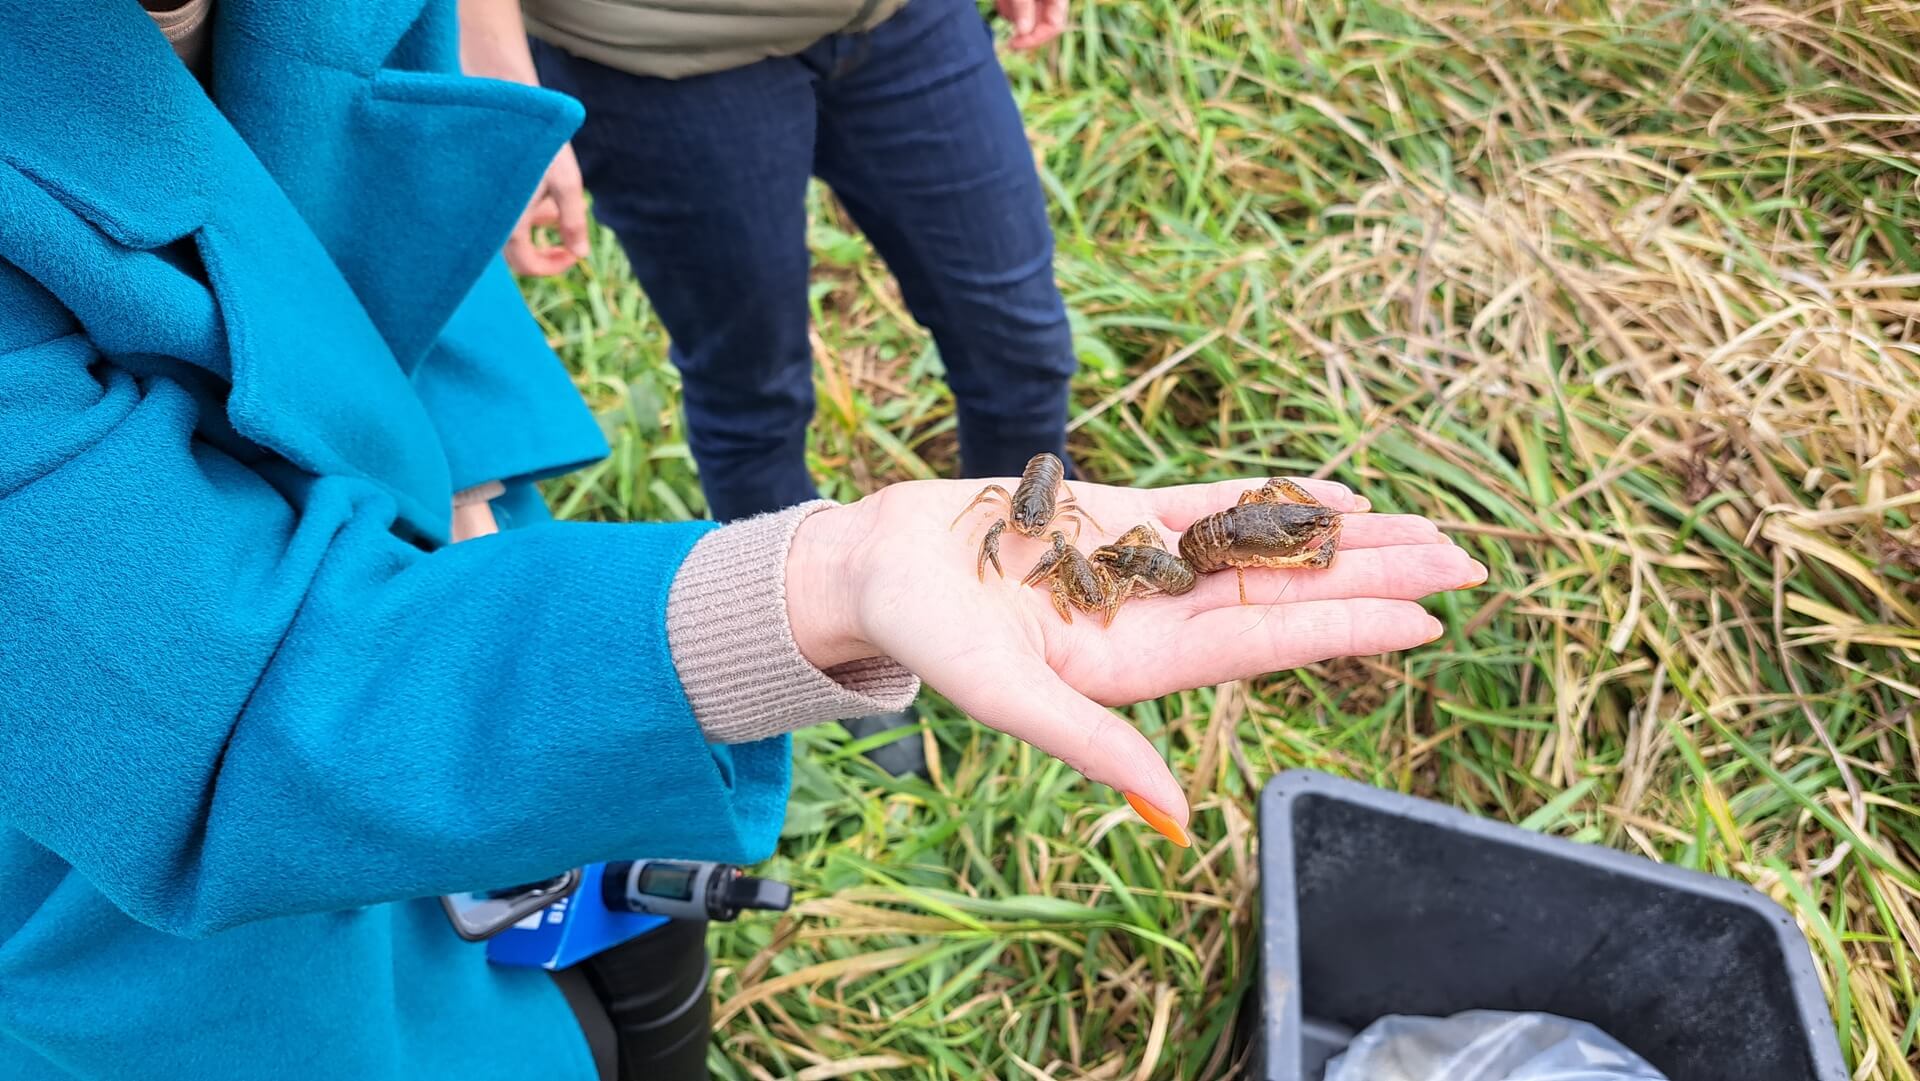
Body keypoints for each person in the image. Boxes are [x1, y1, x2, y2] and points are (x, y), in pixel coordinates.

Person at [0, 1, 1484, 1079]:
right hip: (150, 877)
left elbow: (379, 213)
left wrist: (457, 466)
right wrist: (815, 581)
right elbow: (231, 714)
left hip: (473, 625)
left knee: (608, 911)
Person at [458, 0, 1086, 775]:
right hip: (655, 54)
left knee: (1018, 340)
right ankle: (832, 662)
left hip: (906, 18)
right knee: (752, 388)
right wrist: (500, 80)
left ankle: (1019, 595)